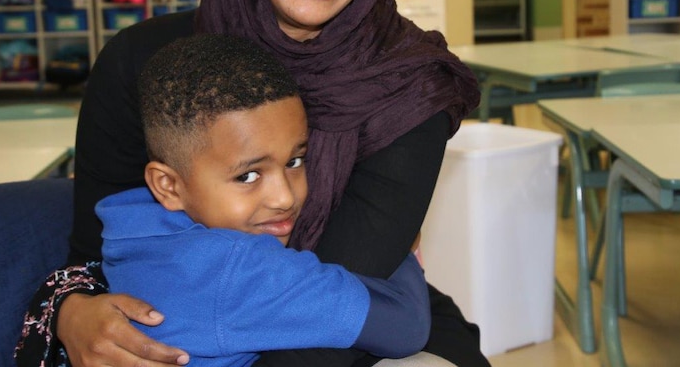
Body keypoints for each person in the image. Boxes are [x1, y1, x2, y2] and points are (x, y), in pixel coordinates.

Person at [15, 0, 487, 366]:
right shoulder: (146, 65)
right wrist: (73, 311)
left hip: (363, 334)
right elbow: (94, 257)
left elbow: (325, 332)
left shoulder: (407, 88)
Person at [97, 33, 430, 366]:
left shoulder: (132, 229)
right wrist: (405, 246)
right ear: (167, 186)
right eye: (247, 176)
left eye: (295, 162)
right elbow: (405, 326)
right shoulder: (238, 272)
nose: (285, 197)